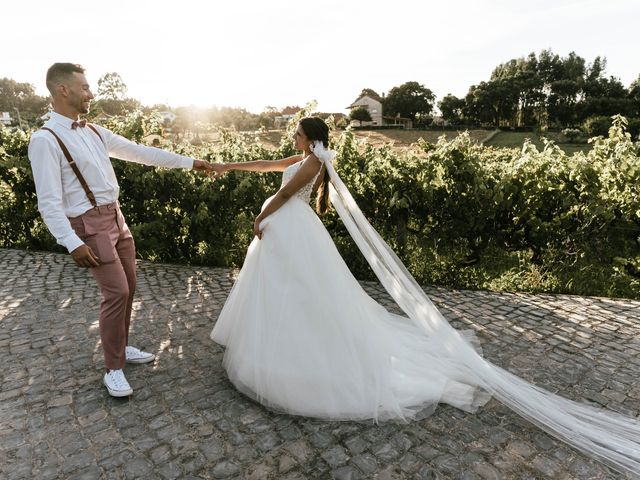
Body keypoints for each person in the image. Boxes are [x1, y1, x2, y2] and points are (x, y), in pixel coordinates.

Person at [210, 116, 640, 475]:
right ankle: (278, 345)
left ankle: (297, 356)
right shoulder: (307, 157)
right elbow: (269, 165)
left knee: (302, 294)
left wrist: (260, 215)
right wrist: (230, 167)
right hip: (289, 230)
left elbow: (285, 193)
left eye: (298, 133)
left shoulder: (312, 164)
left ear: (311, 136)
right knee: (286, 291)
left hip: (290, 225)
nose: (294, 139)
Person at [28, 63, 215, 398]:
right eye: (84, 87)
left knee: (129, 285)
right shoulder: (46, 140)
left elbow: (140, 153)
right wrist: (71, 242)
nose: (91, 92)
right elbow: (49, 203)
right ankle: (113, 368)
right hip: (88, 225)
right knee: (116, 293)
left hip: (116, 218)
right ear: (62, 90)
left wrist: (190, 162)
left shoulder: (95, 131)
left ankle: (122, 345)